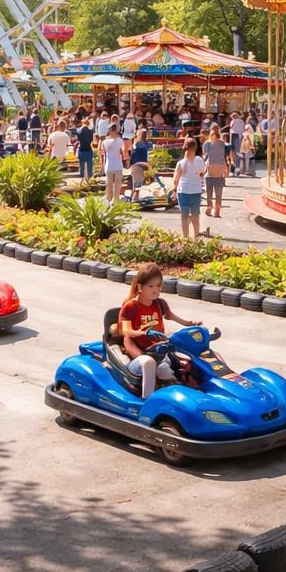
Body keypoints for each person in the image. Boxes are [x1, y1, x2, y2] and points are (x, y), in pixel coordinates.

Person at [117, 263, 201, 399]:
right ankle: (147, 399)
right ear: (140, 287)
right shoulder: (130, 307)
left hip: (159, 349)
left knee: (189, 359)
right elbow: (126, 331)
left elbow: (175, 318)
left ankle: (190, 388)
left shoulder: (160, 304)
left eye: (158, 286)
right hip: (138, 352)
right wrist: (144, 333)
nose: (156, 290)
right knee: (151, 363)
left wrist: (192, 324)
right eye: (151, 286)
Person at [172, 139, 208, 238]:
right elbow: (202, 173)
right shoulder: (200, 161)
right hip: (196, 191)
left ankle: (185, 237)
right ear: (195, 148)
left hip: (183, 190)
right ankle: (196, 236)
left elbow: (176, 179)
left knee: (184, 215)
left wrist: (174, 189)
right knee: (195, 215)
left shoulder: (181, 163)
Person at [201, 124, 229, 219]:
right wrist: (225, 170)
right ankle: (216, 212)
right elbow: (223, 157)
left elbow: (204, 157)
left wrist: (203, 170)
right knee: (218, 194)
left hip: (210, 172)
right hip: (219, 173)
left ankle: (209, 208)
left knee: (209, 194)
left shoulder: (207, 144)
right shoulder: (222, 143)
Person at [100, 124, 127, 202]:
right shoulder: (120, 141)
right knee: (117, 186)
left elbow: (103, 155)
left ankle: (108, 202)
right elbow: (123, 151)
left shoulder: (105, 142)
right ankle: (116, 202)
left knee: (109, 186)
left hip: (109, 165)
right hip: (118, 165)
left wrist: (102, 166)